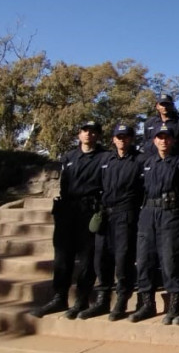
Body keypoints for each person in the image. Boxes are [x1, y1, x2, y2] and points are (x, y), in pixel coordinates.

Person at [30, 120, 106, 319]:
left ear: (98, 135)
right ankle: (59, 297)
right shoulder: (69, 156)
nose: (88, 134)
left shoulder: (105, 157)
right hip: (67, 210)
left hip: (89, 211)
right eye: (84, 131)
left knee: (87, 258)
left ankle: (81, 299)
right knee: (62, 257)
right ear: (79, 134)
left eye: (92, 131)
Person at [78, 123, 143, 321]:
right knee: (101, 258)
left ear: (131, 139)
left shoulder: (140, 160)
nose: (122, 140)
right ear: (113, 139)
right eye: (118, 136)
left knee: (123, 259)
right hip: (105, 214)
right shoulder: (106, 159)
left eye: (125, 136)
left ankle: (122, 298)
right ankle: (102, 299)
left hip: (126, 214)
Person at [131, 124, 179, 324]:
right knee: (145, 259)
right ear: (154, 140)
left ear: (173, 141)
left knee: (170, 259)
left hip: (171, 213)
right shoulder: (147, 162)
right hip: (148, 213)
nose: (163, 141)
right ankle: (147, 304)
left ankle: (174, 305)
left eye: (167, 137)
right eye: (160, 137)